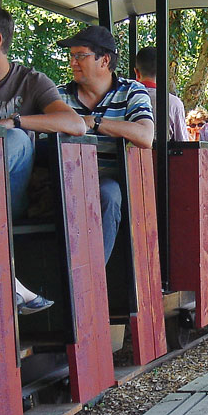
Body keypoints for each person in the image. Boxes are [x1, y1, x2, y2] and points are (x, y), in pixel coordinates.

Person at [0, 3, 86, 314]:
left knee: (14, 139)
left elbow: (76, 124)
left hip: (10, 194)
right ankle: (15, 285)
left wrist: (17, 121)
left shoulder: (30, 82)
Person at [55, 24, 154, 264]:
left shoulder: (131, 92)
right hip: (65, 179)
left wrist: (95, 122)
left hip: (108, 181)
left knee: (108, 195)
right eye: (72, 56)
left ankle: (93, 278)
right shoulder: (60, 96)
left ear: (104, 60)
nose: (73, 62)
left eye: (81, 56)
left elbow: (145, 136)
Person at [132, 45, 187, 143]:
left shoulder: (124, 99)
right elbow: (182, 143)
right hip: (162, 158)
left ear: (136, 72)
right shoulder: (173, 103)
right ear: (164, 72)